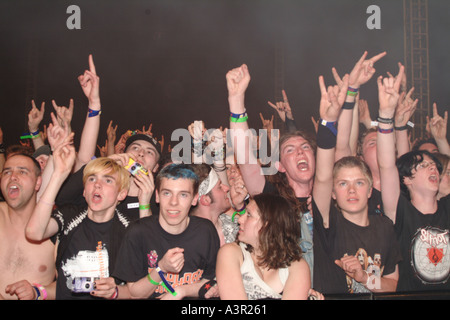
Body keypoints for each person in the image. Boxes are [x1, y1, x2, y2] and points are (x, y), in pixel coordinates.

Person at [312, 70, 401, 295]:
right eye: (342, 184)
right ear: (333, 193)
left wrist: (364, 278)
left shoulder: (384, 227)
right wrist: (328, 122)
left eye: (359, 183)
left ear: (371, 190)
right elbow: (322, 176)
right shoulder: (328, 224)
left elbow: (392, 285)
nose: (351, 190)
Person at [26, 137, 132, 300]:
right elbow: (34, 233)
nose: (97, 184)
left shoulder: (129, 229)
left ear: (121, 194)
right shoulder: (69, 215)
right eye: (92, 179)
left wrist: (116, 292)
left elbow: (139, 290)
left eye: (108, 180)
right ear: (84, 191)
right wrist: (58, 175)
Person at [376, 65, 450, 292]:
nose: (433, 169)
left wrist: (441, 140)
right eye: (423, 164)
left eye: (434, 165)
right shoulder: (401, 212)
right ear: (407, 179)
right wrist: (386, 116)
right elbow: (387, 166)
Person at [112, 163, 220, 299]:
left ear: (194, 199)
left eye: (183, 195)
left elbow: (210, 281)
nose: (173, 202)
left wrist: (180, 291)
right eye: (167, 193)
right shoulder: (137, 232)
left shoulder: (205, 231)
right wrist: (161, 268)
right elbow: (134, 294)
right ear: (157, 196)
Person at [216, 193, 311, 300]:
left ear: (267, 224)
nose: (240, 220)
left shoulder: (297, 266)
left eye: (248, 215)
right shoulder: (230, 253)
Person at [0, 153, 56, 300]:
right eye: (7, 172)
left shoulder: (54, 227)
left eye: (22, 171)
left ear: (38, 183)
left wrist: (37, 292)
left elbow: (68, 285)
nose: (12, 176)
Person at [190, 163, 238, 246]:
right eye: (219, 187)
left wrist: (240, 206)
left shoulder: (237, 227)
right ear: (205, 199)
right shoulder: (190, 240)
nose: (227, 188)